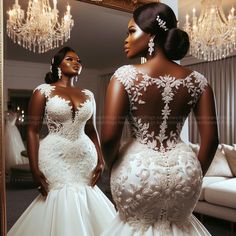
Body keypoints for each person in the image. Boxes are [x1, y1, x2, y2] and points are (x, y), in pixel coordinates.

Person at [101, 3, 218, 236]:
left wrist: (113, 166)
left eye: (132, 31)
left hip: (136, 170)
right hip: (184, 170)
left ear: (152, 35)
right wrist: (193, 172)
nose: (126, 39)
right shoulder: (199, 81)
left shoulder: (124, 76)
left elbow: (109, 137)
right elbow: (212, 140)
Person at [8, 46, 115, 236]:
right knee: (59, 200)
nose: (76, 63)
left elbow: (91, 129)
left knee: (86, 199)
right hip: (54, 156)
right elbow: (32, 131)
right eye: (70, 59)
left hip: (84, 158)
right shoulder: (43, 92)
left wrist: (101, 159)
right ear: (57, 64)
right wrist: (34, 169)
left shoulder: (88, 95)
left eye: (79, 60)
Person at [5, 102, 28, 173]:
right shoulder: (15, 114)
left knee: (9, 145)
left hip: (7, 128)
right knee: (13, 144)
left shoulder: (6, 113)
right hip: (13, 129)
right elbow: (19, 121)